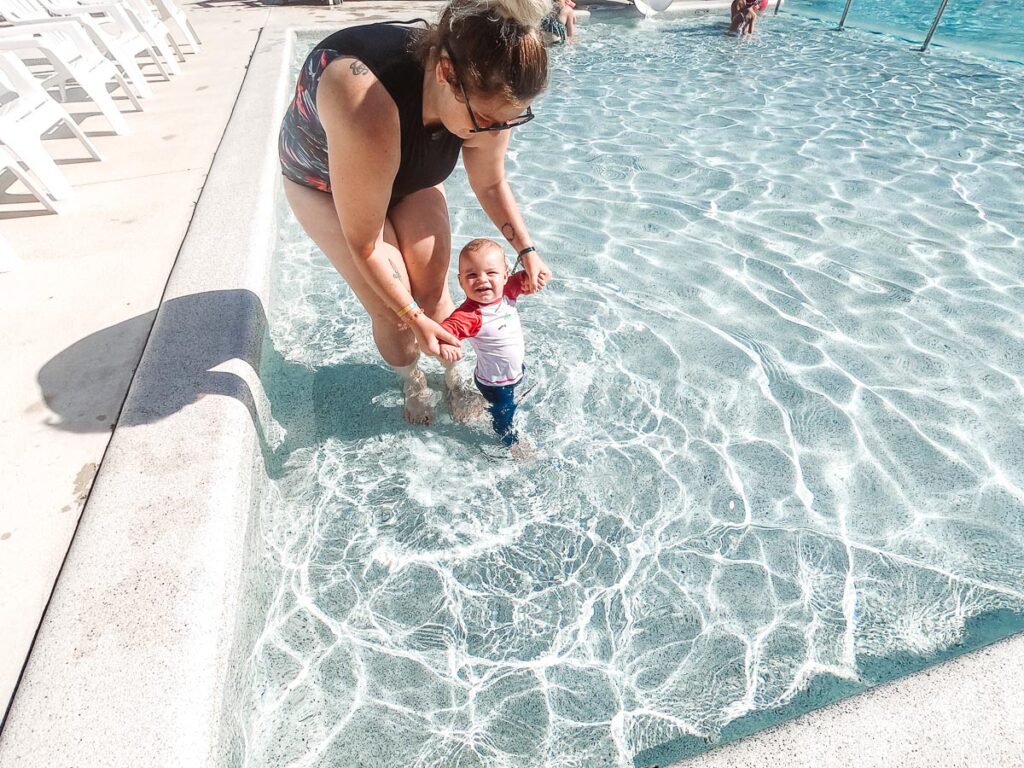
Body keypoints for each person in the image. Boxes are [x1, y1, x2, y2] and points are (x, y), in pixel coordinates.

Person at [278, 0, 554, 426]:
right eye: (485, 120)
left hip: (406, 172)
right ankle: (412, 381)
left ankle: (453, 376)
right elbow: (365, 243)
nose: (494, 133)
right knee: (393, 308)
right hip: (325, 187)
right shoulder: (363, 99)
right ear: (445, 73)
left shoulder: (488, 91)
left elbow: (491, 182)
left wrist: (527, 250)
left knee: (431, 284)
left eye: (508, 122)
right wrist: (413, 318)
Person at [438, 238, 532, 449]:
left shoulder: (507, 293)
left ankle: (474, 403)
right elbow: (444, 330)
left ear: (505, 275)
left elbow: (525, 279)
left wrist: (535, 278)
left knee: (510, 395)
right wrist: (446, 344)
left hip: (512, 371)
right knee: (504, 413)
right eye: (472, 275)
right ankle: (512, 444)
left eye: (491, 273)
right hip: (496, 382)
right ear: (461, 281)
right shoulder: (471, 314)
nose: (482, 279)